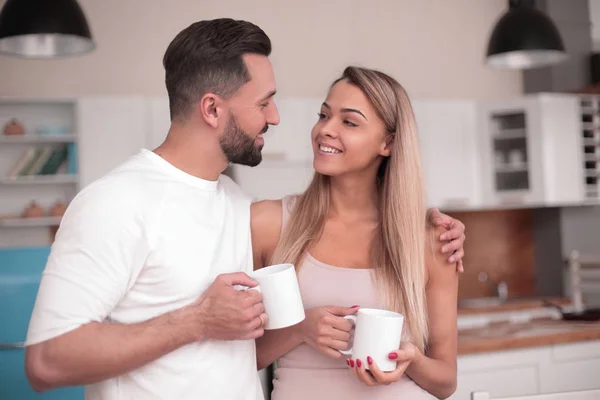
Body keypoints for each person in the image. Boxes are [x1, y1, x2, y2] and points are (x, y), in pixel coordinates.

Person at [23, 19, 465, 400]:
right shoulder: (115, 201)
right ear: (213, 109)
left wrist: (431, 226)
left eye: (348, 120)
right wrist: (196, 320)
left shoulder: (237, 208)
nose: (275, 117)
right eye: (263, 102)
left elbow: (246, 342)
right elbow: (46, 362)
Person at [252, 66, 459, 400]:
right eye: (323, 115)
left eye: (349, 122)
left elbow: (446, 380)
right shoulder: (268, 224)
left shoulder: (431, 241)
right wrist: (301, 330)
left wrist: (410, 360)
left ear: (388, 143)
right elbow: (237, 358)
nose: (325, 130)